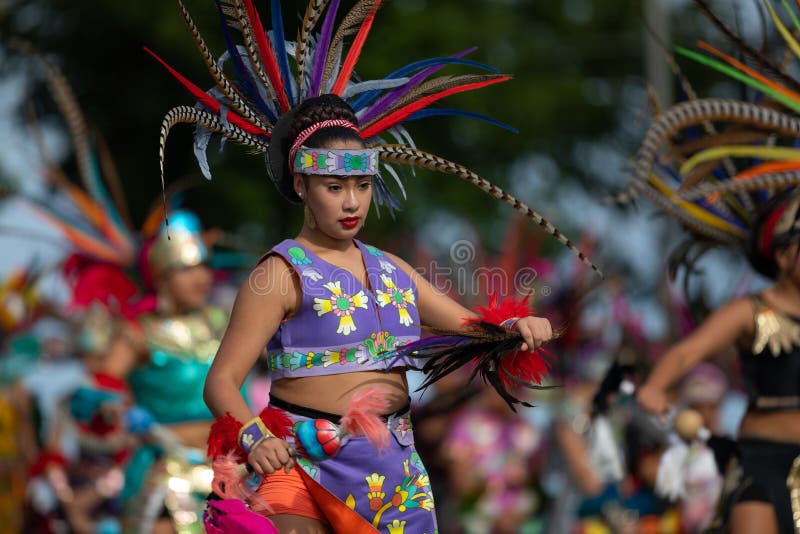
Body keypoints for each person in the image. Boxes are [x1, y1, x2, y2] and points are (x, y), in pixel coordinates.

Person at [203, 93, 554, 532]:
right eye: (335, 188)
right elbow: (220, 381)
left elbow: (468, 327)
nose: (352, 203)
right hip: (301, 468)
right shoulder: (279, 273)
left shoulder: (393, 270)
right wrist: (255, 438)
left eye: (362, 186)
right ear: (301, 186)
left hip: (395, 474)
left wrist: (513, 327)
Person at [621, 3, 800, 531]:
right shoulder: (752, 310)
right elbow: (688, 351)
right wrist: (656, 388)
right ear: (786, 252)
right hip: (762, 466)